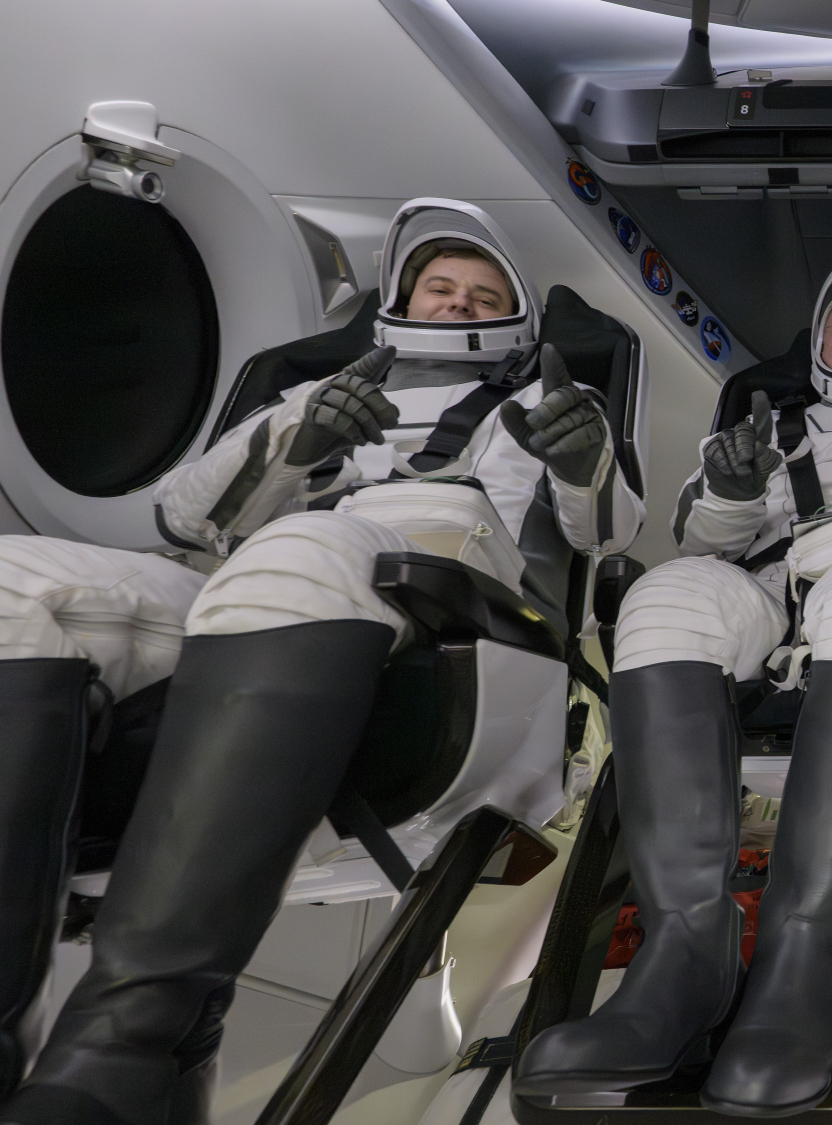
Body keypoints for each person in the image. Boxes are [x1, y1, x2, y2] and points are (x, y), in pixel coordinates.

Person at [0, 198, 640, 1124]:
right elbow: (184, 516)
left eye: (483, 295)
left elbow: (607, 534)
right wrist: (296, 438)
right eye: (441, 287)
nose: (459, 305)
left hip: (456, 600)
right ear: (401, 301)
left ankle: (119, 1057)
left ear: (518, 317)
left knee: (306, 549)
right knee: (17, 582)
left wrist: (584, 463)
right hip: (247, 592)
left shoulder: (548, 405)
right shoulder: (310, 392)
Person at [512, 263, 832, 1116]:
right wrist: (732, 489)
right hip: (766, 595)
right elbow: (697, 537)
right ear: (818, 344)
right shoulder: (761, 430)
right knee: (664, 593)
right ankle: (684, 952)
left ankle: (802, 960)